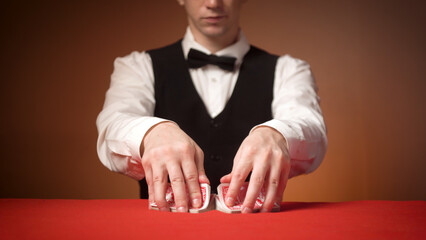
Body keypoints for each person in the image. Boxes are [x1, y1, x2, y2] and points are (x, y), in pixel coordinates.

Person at [96, 0, 327, 213]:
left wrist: (278, 134)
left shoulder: (290, 69)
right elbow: (111, 129)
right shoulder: (137, 66)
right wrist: (151, 132)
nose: (213, 3)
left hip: (256, 232)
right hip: (165, 232)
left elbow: (312, 129)